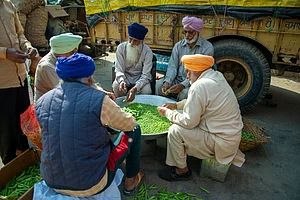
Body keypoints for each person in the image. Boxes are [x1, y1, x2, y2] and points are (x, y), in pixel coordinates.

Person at [34, 53, 143, 198]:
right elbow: (129, 124)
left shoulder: (42, 102)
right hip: (92, 183)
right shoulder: (99, 100)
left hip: (53, 180)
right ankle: (131, 181)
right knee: (135, 130)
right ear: (90, 78)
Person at [157, 54, 245, 181]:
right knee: (184, 121)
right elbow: (198, 101)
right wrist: (176, 105)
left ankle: (181, 170)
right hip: (231, 137)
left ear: (197, 70)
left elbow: (189, 122)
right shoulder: (216, 76)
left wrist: (167, 113)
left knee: (175, 131)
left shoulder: (199, 86)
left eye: (188, 72)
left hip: (220, 141)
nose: (187, 76)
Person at [0, 0, 38, 164]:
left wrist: (27, 46)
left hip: (20, 77)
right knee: (6, 131)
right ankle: (10, 166)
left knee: (24, 124)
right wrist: (5, 53)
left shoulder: (8, 6)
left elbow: (19, 34)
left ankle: (24, 161)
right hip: (2, 83)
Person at [156, 16, 214, 101]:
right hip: (177, 79)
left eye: (191, 32)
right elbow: (172, 67)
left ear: (197, 32)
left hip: (194, 82)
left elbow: (200, 73)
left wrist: (183, 85)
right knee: (159, 85)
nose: (187, 35)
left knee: (185, 93)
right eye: (185, 32)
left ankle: (181, 112)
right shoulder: (178, 46)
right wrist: (167, 82)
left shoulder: (207, 48)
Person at [34, 33, 82, 102]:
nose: (75, 55)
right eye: (72, 52)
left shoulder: (65, 60)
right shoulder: (47, 66)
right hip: (48, 108)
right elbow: (67, 92)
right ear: (63, 51)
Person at [112, 22, 153, 102]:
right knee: (116, 86)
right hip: (125, 77)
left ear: (141, 41)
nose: (131, 43)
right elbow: (119, 69)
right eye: (130, 39)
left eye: (135, 41)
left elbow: (146, 75)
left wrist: (135, 88)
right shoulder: (121, 48)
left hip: (139, 77)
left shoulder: (147, 52)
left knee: (147, 90)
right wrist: (121, 81)